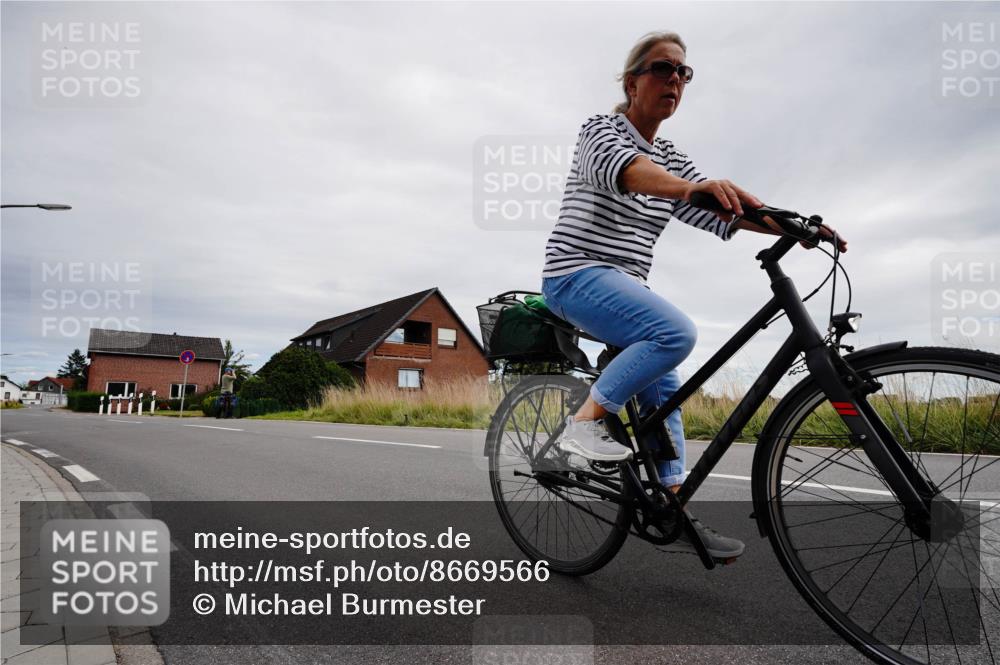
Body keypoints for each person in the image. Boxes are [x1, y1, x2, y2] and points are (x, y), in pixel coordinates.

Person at [541, 31, 846, 559]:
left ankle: (673, 505)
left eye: (684, 73)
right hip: (574, 274)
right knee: (674, 333)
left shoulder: (671, 159)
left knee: (665, 387)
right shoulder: (600, 131)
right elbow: (631, 173)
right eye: (663, 68)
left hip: (625, 285)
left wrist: (797, 226)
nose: (676, 80)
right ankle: (582, 425)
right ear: (632, 83)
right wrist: (688, 189)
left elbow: (726, 209)